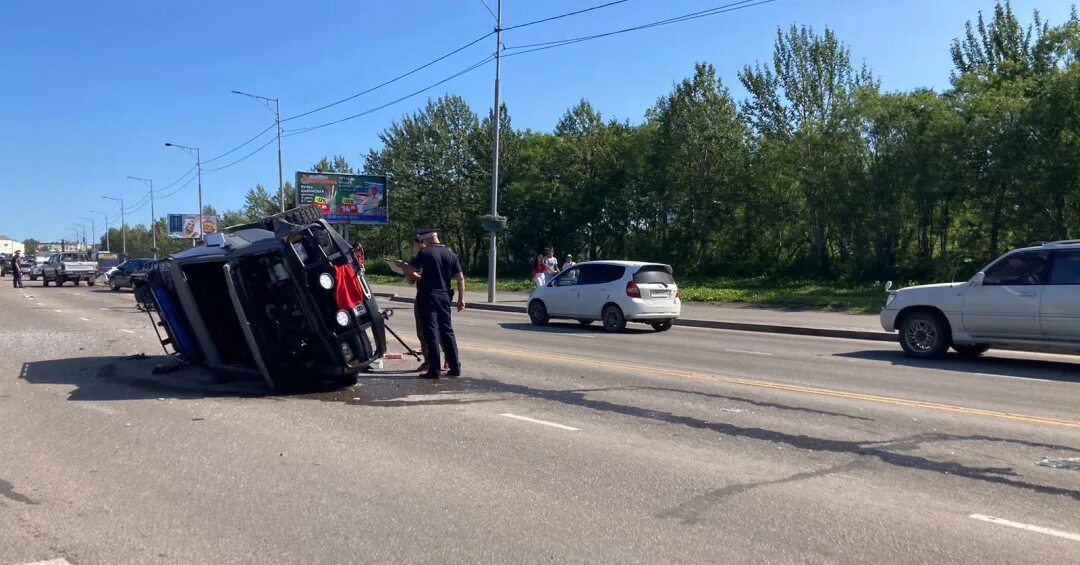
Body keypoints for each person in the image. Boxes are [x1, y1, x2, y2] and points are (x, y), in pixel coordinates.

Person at [402, 229, 465, 379]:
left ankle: (434, 370)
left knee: (431, 332)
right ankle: (455, 366)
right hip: (445, 295)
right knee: (447, 331)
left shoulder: (425, 253)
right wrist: (461, 298)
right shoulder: (450, 253)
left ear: (426, 240)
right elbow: (460, 277)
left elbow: (411, 271)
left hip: (428, 295)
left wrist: (404, 268)